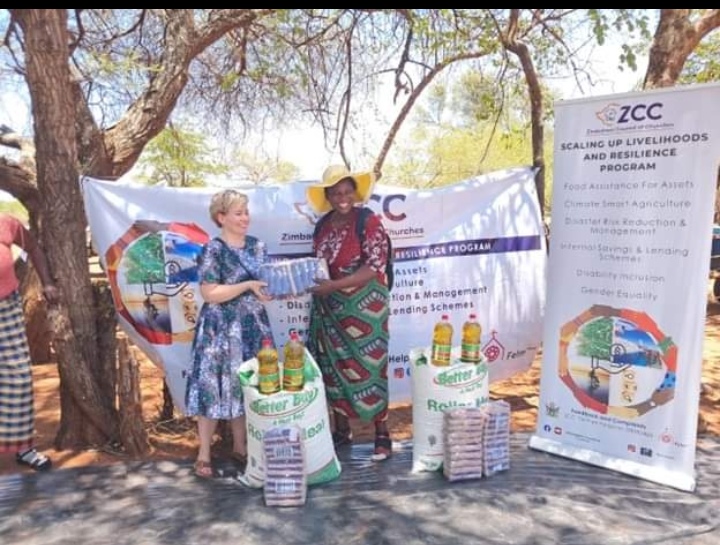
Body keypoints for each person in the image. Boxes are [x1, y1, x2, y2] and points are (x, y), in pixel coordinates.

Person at [184, 190, 274, 478]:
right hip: (219, 329)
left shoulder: (258, 246)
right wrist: (247, 285)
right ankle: (204, 454)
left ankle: (241, 447)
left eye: (246, 212)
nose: (245, 218)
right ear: (221, 217)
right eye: (238, 213)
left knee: (248, 386)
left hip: (252, 326)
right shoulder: (213, 249)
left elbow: (265, 285)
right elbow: (210, 293)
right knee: (212, 387)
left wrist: (273, 290)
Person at [306, 164, 392, 461]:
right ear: (327, 196)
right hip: (331, 307)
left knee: (371, 366)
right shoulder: (322, 225)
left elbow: (375, 266)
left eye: (347, 192)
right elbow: (320, 264)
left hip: (366, 307)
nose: (342, 198)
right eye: (336, 193)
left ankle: (382, 434)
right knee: (332, 368)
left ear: (355, 193)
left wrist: (335, 285)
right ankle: (342, 431)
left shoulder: (367, 220)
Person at [0, 213, 59, 471]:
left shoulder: (6, 223)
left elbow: (33, 247)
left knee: (19, 377)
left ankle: (23, 448)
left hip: (7, 306)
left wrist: (47, 283)